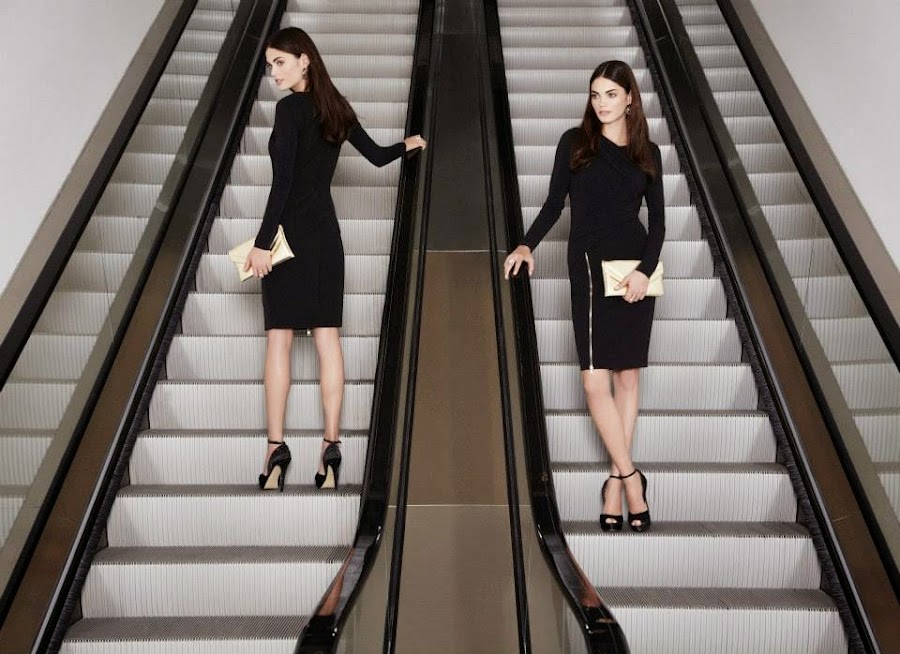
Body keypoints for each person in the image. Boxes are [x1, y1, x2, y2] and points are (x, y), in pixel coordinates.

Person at [245, 27, 426, 492]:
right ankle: (331, 447)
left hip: (288, 239)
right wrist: (409, 144)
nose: (273, 72)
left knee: (280, 340)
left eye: (280, 62)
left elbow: (283, 183)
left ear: (304, 60)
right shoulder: (337, 108)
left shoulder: (289, 110)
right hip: (326, 238)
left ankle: (275, 449)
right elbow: (379, 157)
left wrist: (262, 243)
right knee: (328, 339)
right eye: (269, 65)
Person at [504, 60, 664, 532]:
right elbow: (555, 203)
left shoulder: (648, 152)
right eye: (596, 94)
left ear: (630, 98)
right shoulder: (574, 143)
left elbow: (658, 222)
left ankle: (614, 482)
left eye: (611, 94)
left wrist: (644, 271)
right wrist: (526, 244)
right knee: (595, 382)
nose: (602, 103)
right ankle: (632, 479)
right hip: (590, 269)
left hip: (633, 270)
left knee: (627, 378)